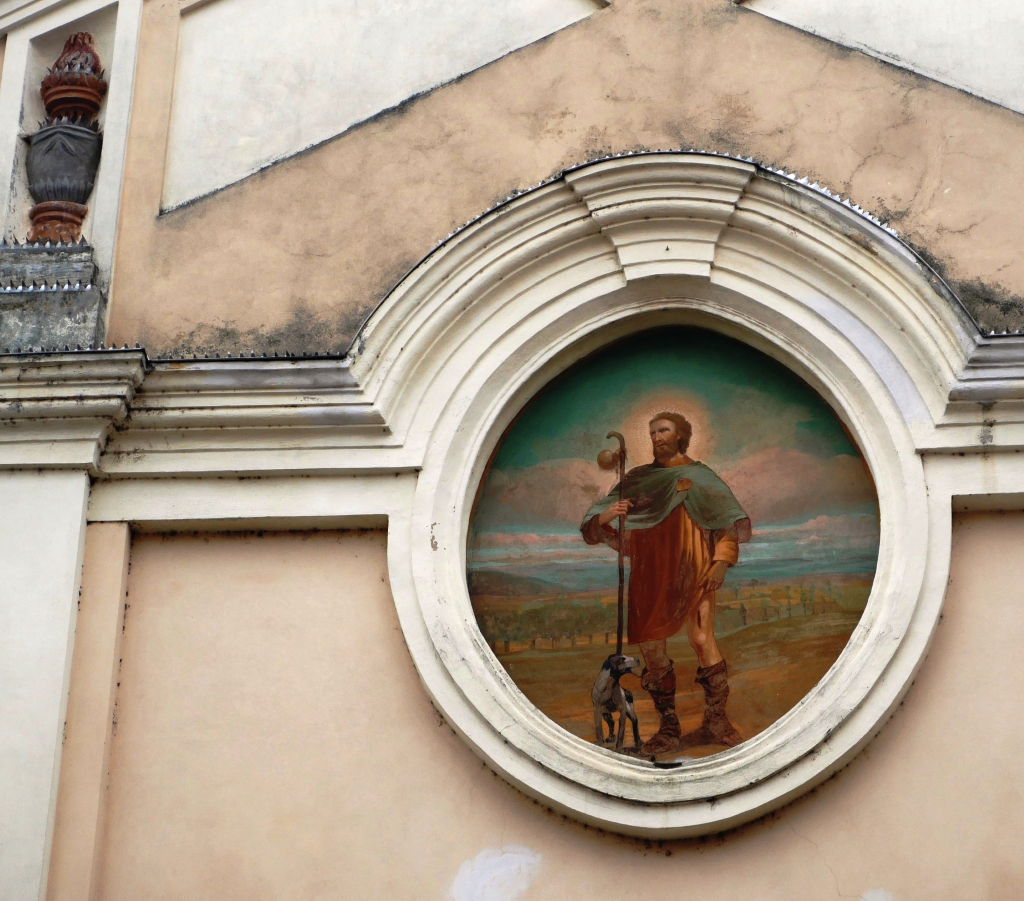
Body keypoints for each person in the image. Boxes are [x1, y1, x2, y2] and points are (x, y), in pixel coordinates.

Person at [581, 412, 751, 756]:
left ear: (680, 435)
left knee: (703, 638)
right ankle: (669, 728)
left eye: (664, 430)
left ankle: (716, 721)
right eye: (652, 431)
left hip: (694, 564)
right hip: (650, 568)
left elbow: (726, 523)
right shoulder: (640, 478)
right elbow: (595, 520)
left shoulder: (700, 477)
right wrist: (607, 515)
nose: (657, 436)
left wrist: (721, 562)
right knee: (652, 647)